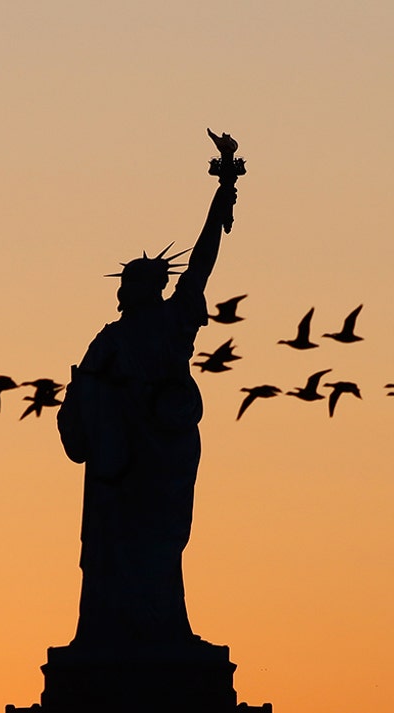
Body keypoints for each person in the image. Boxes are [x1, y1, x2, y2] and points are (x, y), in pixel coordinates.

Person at [58, 162, 240, 650]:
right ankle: (112, 630)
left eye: (135, 282)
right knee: (118, 545)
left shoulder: (173, 319)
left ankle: (163, 628)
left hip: (163, 447)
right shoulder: (110, 340)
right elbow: (80, 397)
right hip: (121, 460)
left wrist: (219, 201)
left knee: (162, 543)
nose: (127, 290)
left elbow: (201, 263)